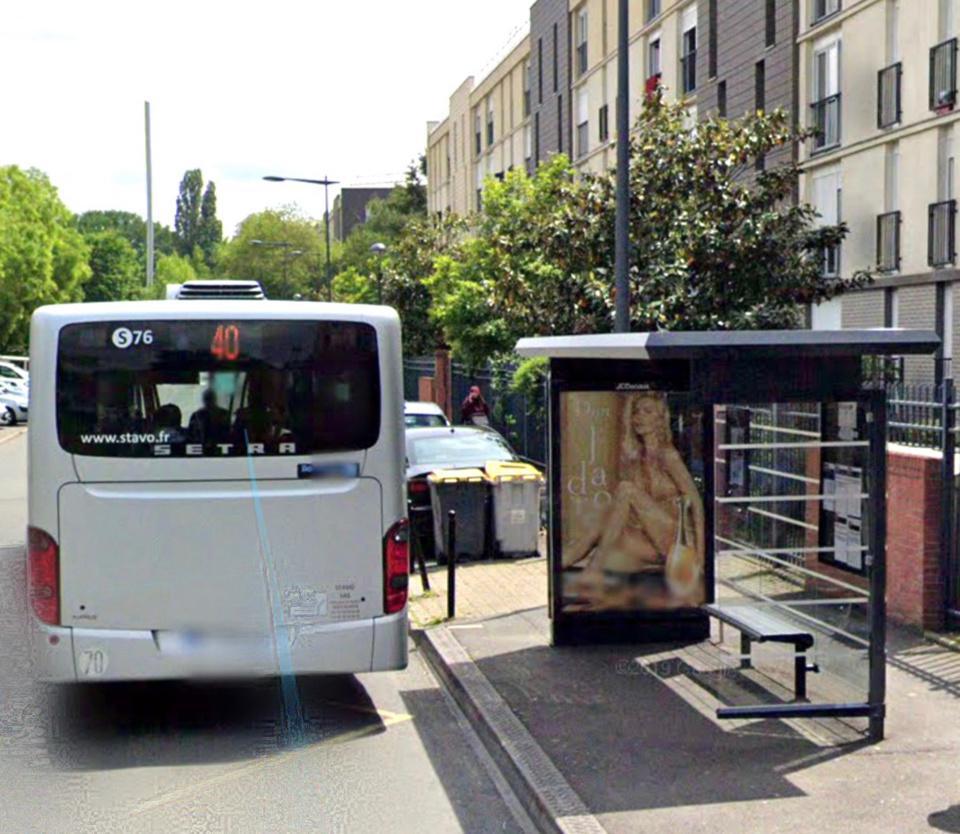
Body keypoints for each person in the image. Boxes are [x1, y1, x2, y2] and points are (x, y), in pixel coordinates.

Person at [564, 392, 705, 611]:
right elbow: (625, 437)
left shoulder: (668, 456)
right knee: (597, 528)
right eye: (636, 412)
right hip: (650, 542)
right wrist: (629, 401)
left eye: (647, 411)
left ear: (660, 418)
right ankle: (560, 566)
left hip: (675, 540)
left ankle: (594, 573)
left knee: (626, 490)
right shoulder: (637, 455)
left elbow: (696, 503)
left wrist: (700, 557)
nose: (638, 417)